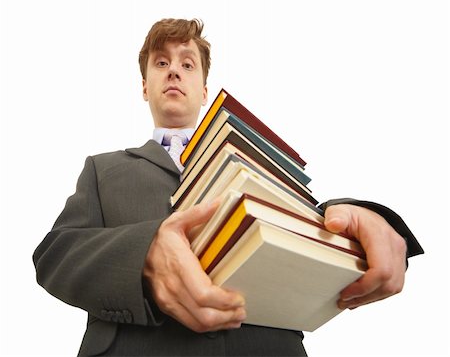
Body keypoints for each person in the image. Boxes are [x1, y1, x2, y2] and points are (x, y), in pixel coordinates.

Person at [33, 18, 424, 356]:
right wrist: (143, 256)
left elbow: (300, 218)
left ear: (204, 91)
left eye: (187, 64)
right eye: (161, 63)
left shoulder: (253, 155)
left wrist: (362, 219)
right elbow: (55, 255)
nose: (174, 72)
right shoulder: (103, 168)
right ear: (144, 87)